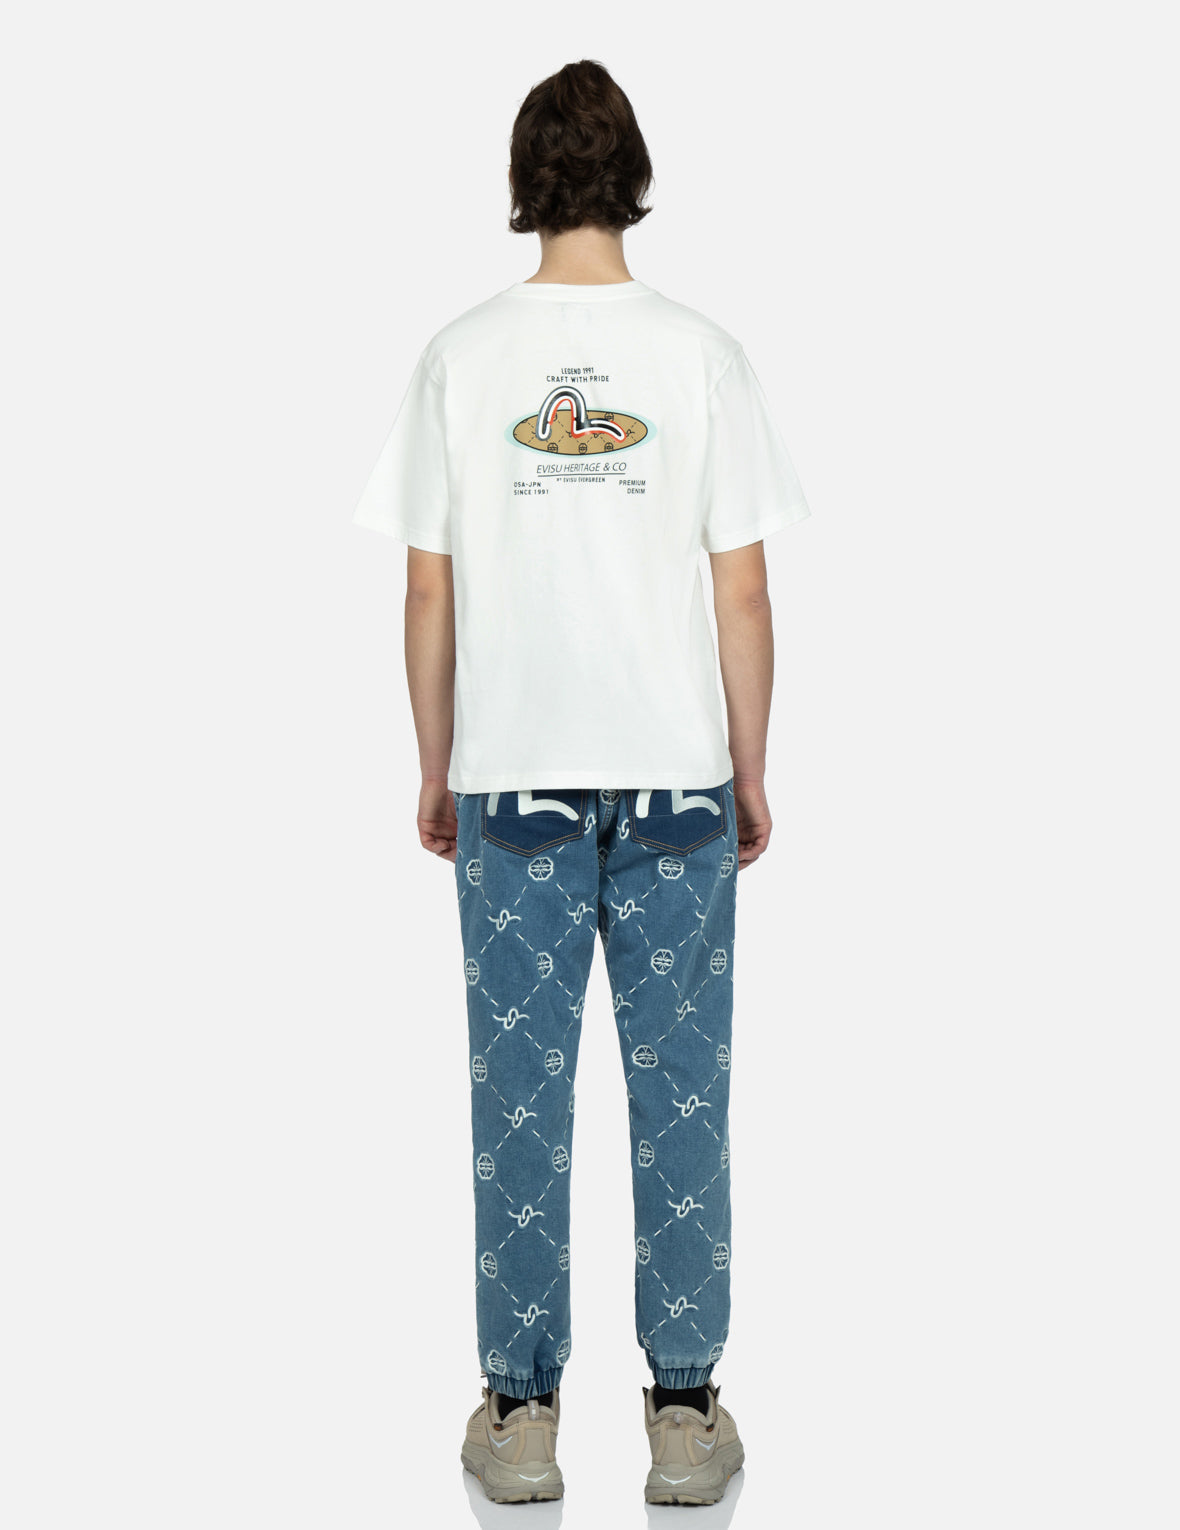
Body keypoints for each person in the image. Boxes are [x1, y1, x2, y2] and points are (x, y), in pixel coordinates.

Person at [351, 58, 811, 1505]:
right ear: (635, 178)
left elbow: (429, 591)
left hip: (514, 784)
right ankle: (683, 1412)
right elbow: (742, 591)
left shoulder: (460, 356)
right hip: (675, 782)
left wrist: (437, 762)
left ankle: (521, 1411)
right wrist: (747, 766)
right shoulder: (701, 354)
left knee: (518, 1098)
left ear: (524, 183)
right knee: (684, 1095)